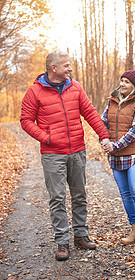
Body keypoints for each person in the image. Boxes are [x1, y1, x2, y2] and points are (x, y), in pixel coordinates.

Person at [20, 49, 110, 261]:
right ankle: (62, 241)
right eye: (66, 65)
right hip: (53, 154)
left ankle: (81, 235)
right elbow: (25, 120)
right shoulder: (35, 92)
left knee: (80, 195)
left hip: (77, 150)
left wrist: (103, 136)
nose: (70, 68)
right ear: (54, 68)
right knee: (57, 198)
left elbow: (90, 113)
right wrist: (47, 138)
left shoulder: (75, 87)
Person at [101, 65, 135, 249]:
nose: (122, 83)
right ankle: (134, 229)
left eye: (127, 82)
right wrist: (104, 140)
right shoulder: (112, 100)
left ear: (134, 86)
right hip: (115, 155)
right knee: (125, 195)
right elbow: (103, 122)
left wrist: (115, 145)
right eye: (121, 80)